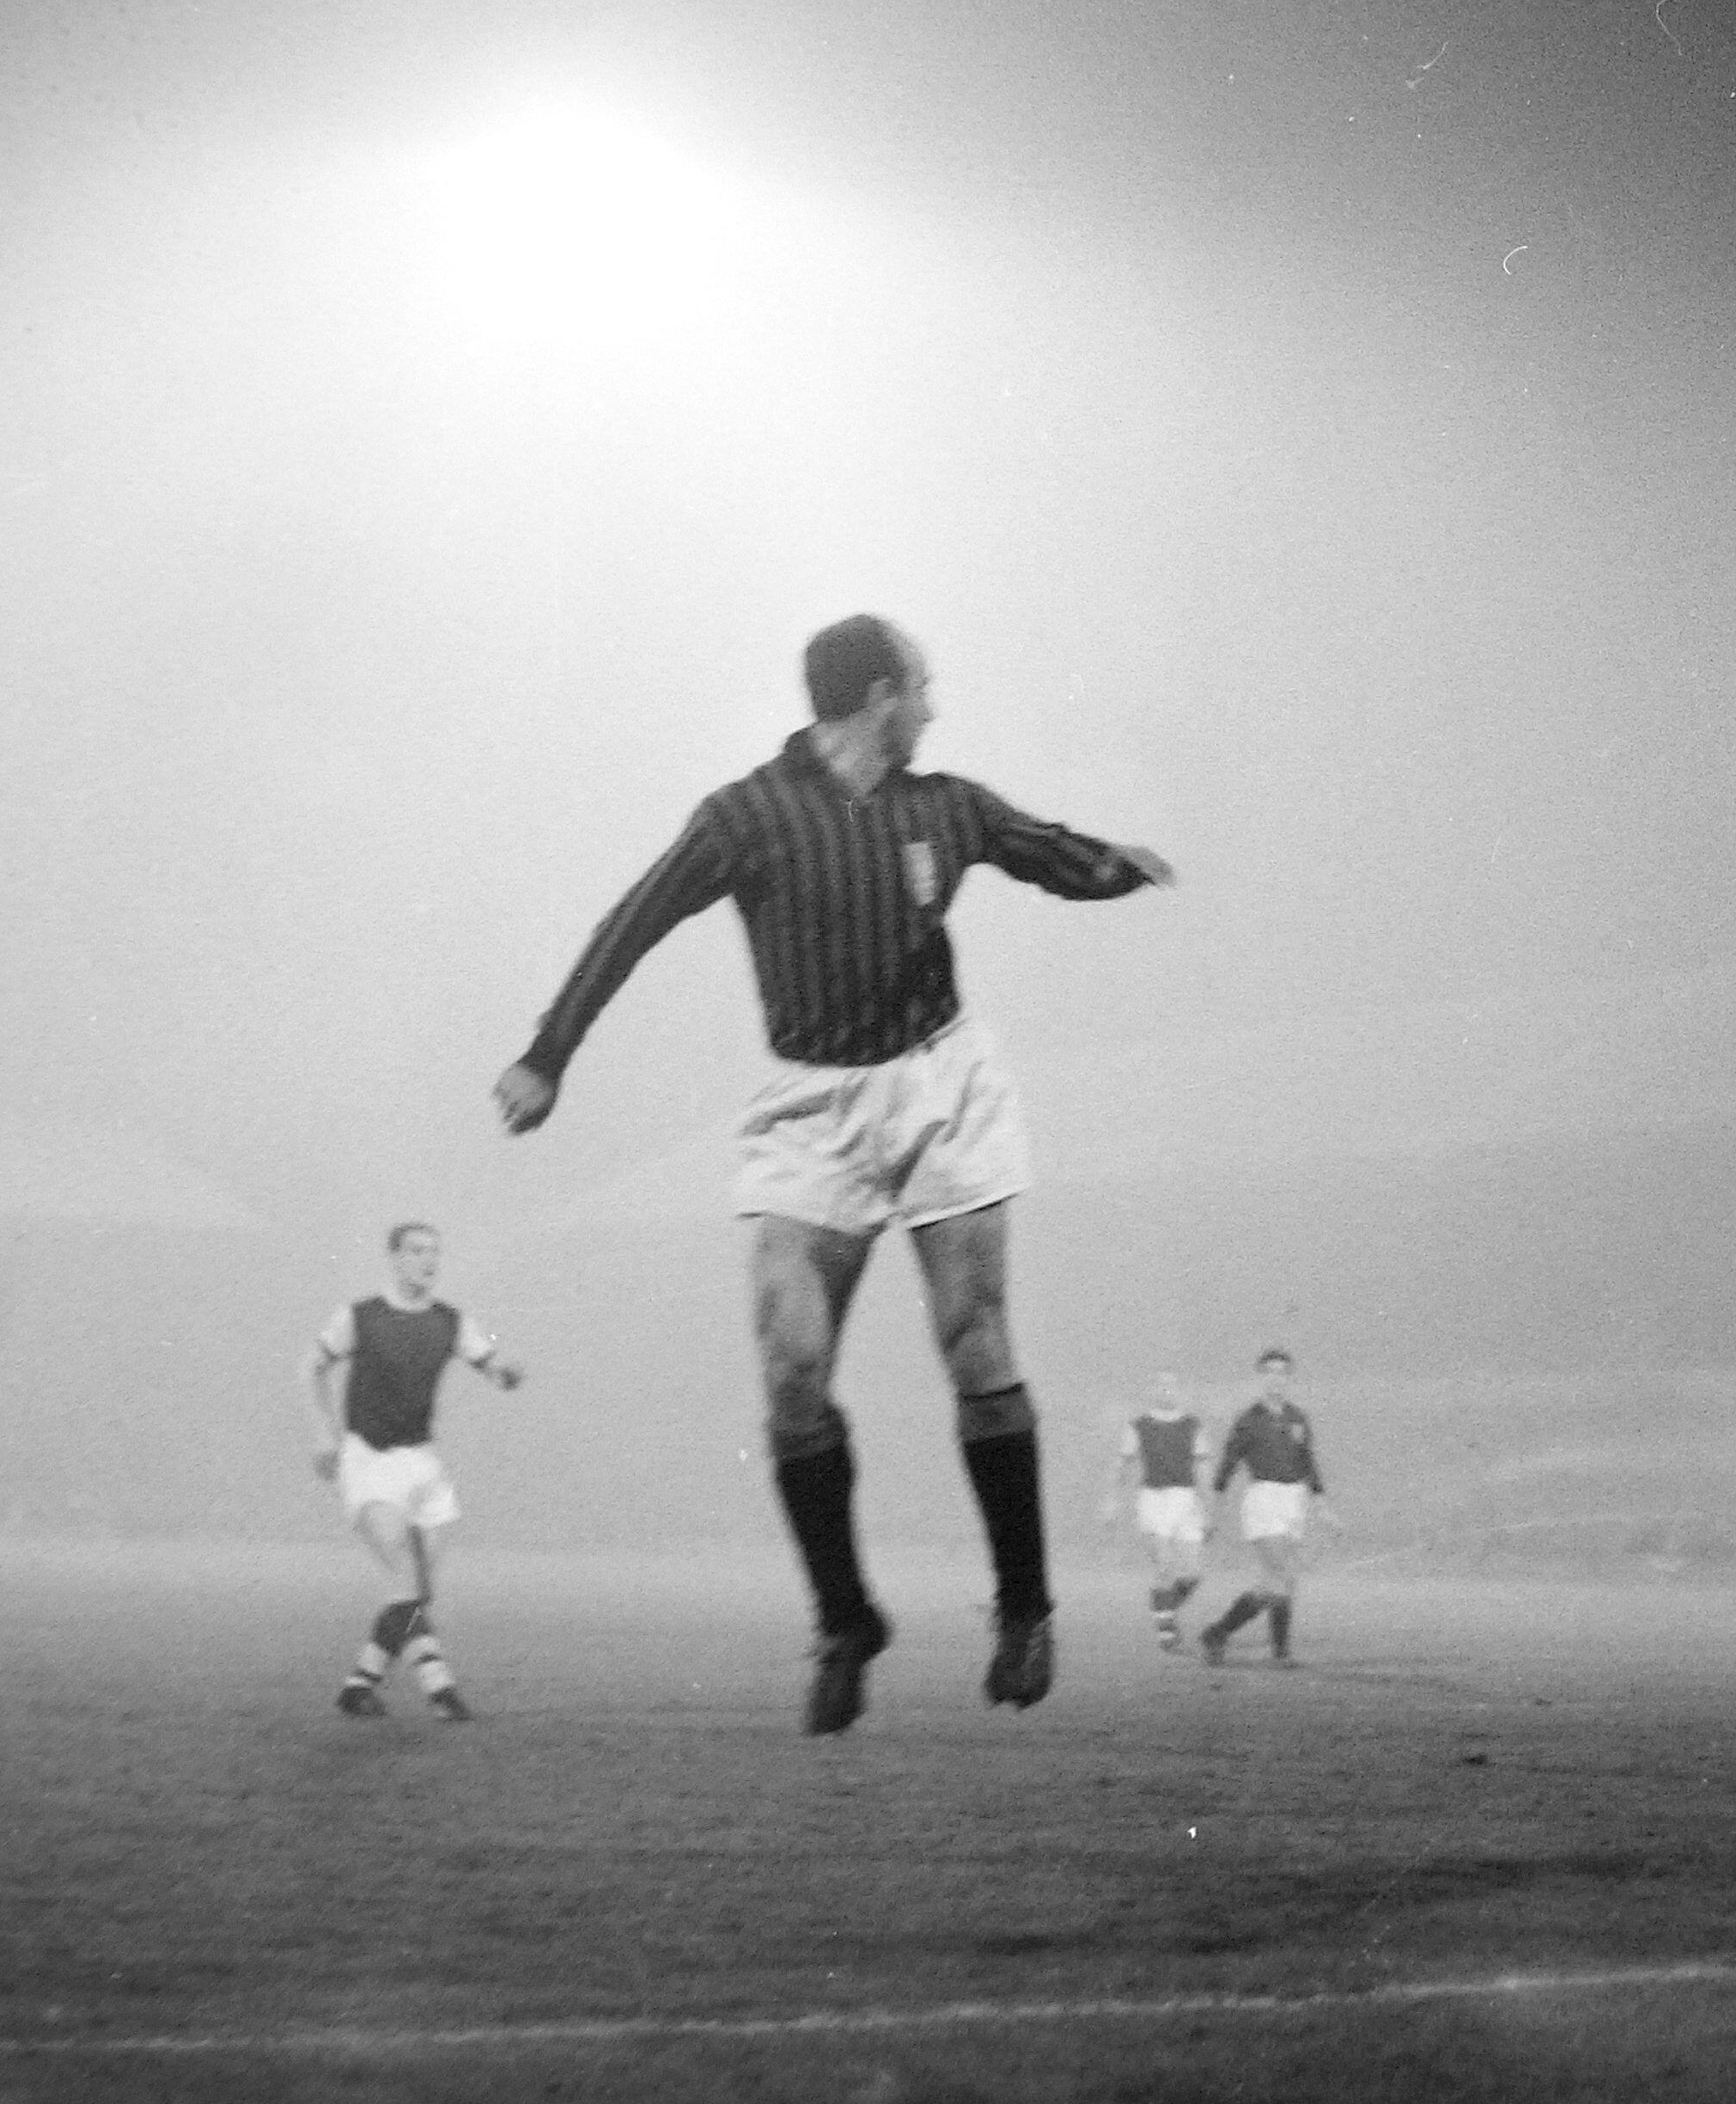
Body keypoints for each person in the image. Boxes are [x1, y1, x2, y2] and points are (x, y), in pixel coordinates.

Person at [491, 613, 1173, 1734]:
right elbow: (632, 924)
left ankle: (1023, 1607)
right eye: (924, 687)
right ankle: (848, 1618)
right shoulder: (746, 817)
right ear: (875, 697)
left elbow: (1043, 851)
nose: (935, 707)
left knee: (974, 1335)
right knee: (791, 1363)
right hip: (813, 1103)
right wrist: (546, 1054)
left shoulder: (941, 806)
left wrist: (1117, 869)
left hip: (942, 1082)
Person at [303, 1222, 521, 1721]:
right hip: (368, 1461)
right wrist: (323, 1431)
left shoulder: (451, 1321)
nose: (428, 1261)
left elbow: (491, 1364)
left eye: (435, 1253)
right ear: (395, 1259)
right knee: (405, 1573)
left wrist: (506, 1375)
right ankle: (438, 1683)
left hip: (422, 1465)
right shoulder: (359, 1317)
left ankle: (360, 1684)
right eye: (418, 1251)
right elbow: (311, 1367)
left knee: (416, 1589)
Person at [1201, 1349, 1326, 1665]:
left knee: (1277, 1582)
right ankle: (1280, 1654)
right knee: (1282, 1575)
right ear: (1260, 1377)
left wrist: (1323, 1505)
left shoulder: (1298, 1419)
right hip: (1263, 1500)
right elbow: (1225, 1469)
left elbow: (1307, 1463)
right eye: (1269, 1371)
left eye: (1282, 1372)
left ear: (1289, 1378)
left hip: (1293, 1500)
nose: (1276, 1377)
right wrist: (1212, 1513)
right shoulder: (1248, 1420)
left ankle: (1218, 1632)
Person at [1112, 1372, 1210, 1653]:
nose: (1167, 1390)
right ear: (1152, 1390)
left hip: (1187, 1499)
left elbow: (1202, 1468)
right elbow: (1123, 1465)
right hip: (1154, 1498)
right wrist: (1113, 1499)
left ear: (1180, 1391)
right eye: (1161, 1385)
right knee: (1164, 1564)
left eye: (1172, 1385)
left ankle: (1164, 1607)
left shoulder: (1193, 1425)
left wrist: (1209, 1507)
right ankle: (1166, 1628)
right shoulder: (1139, 1426)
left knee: (1193, 1573)